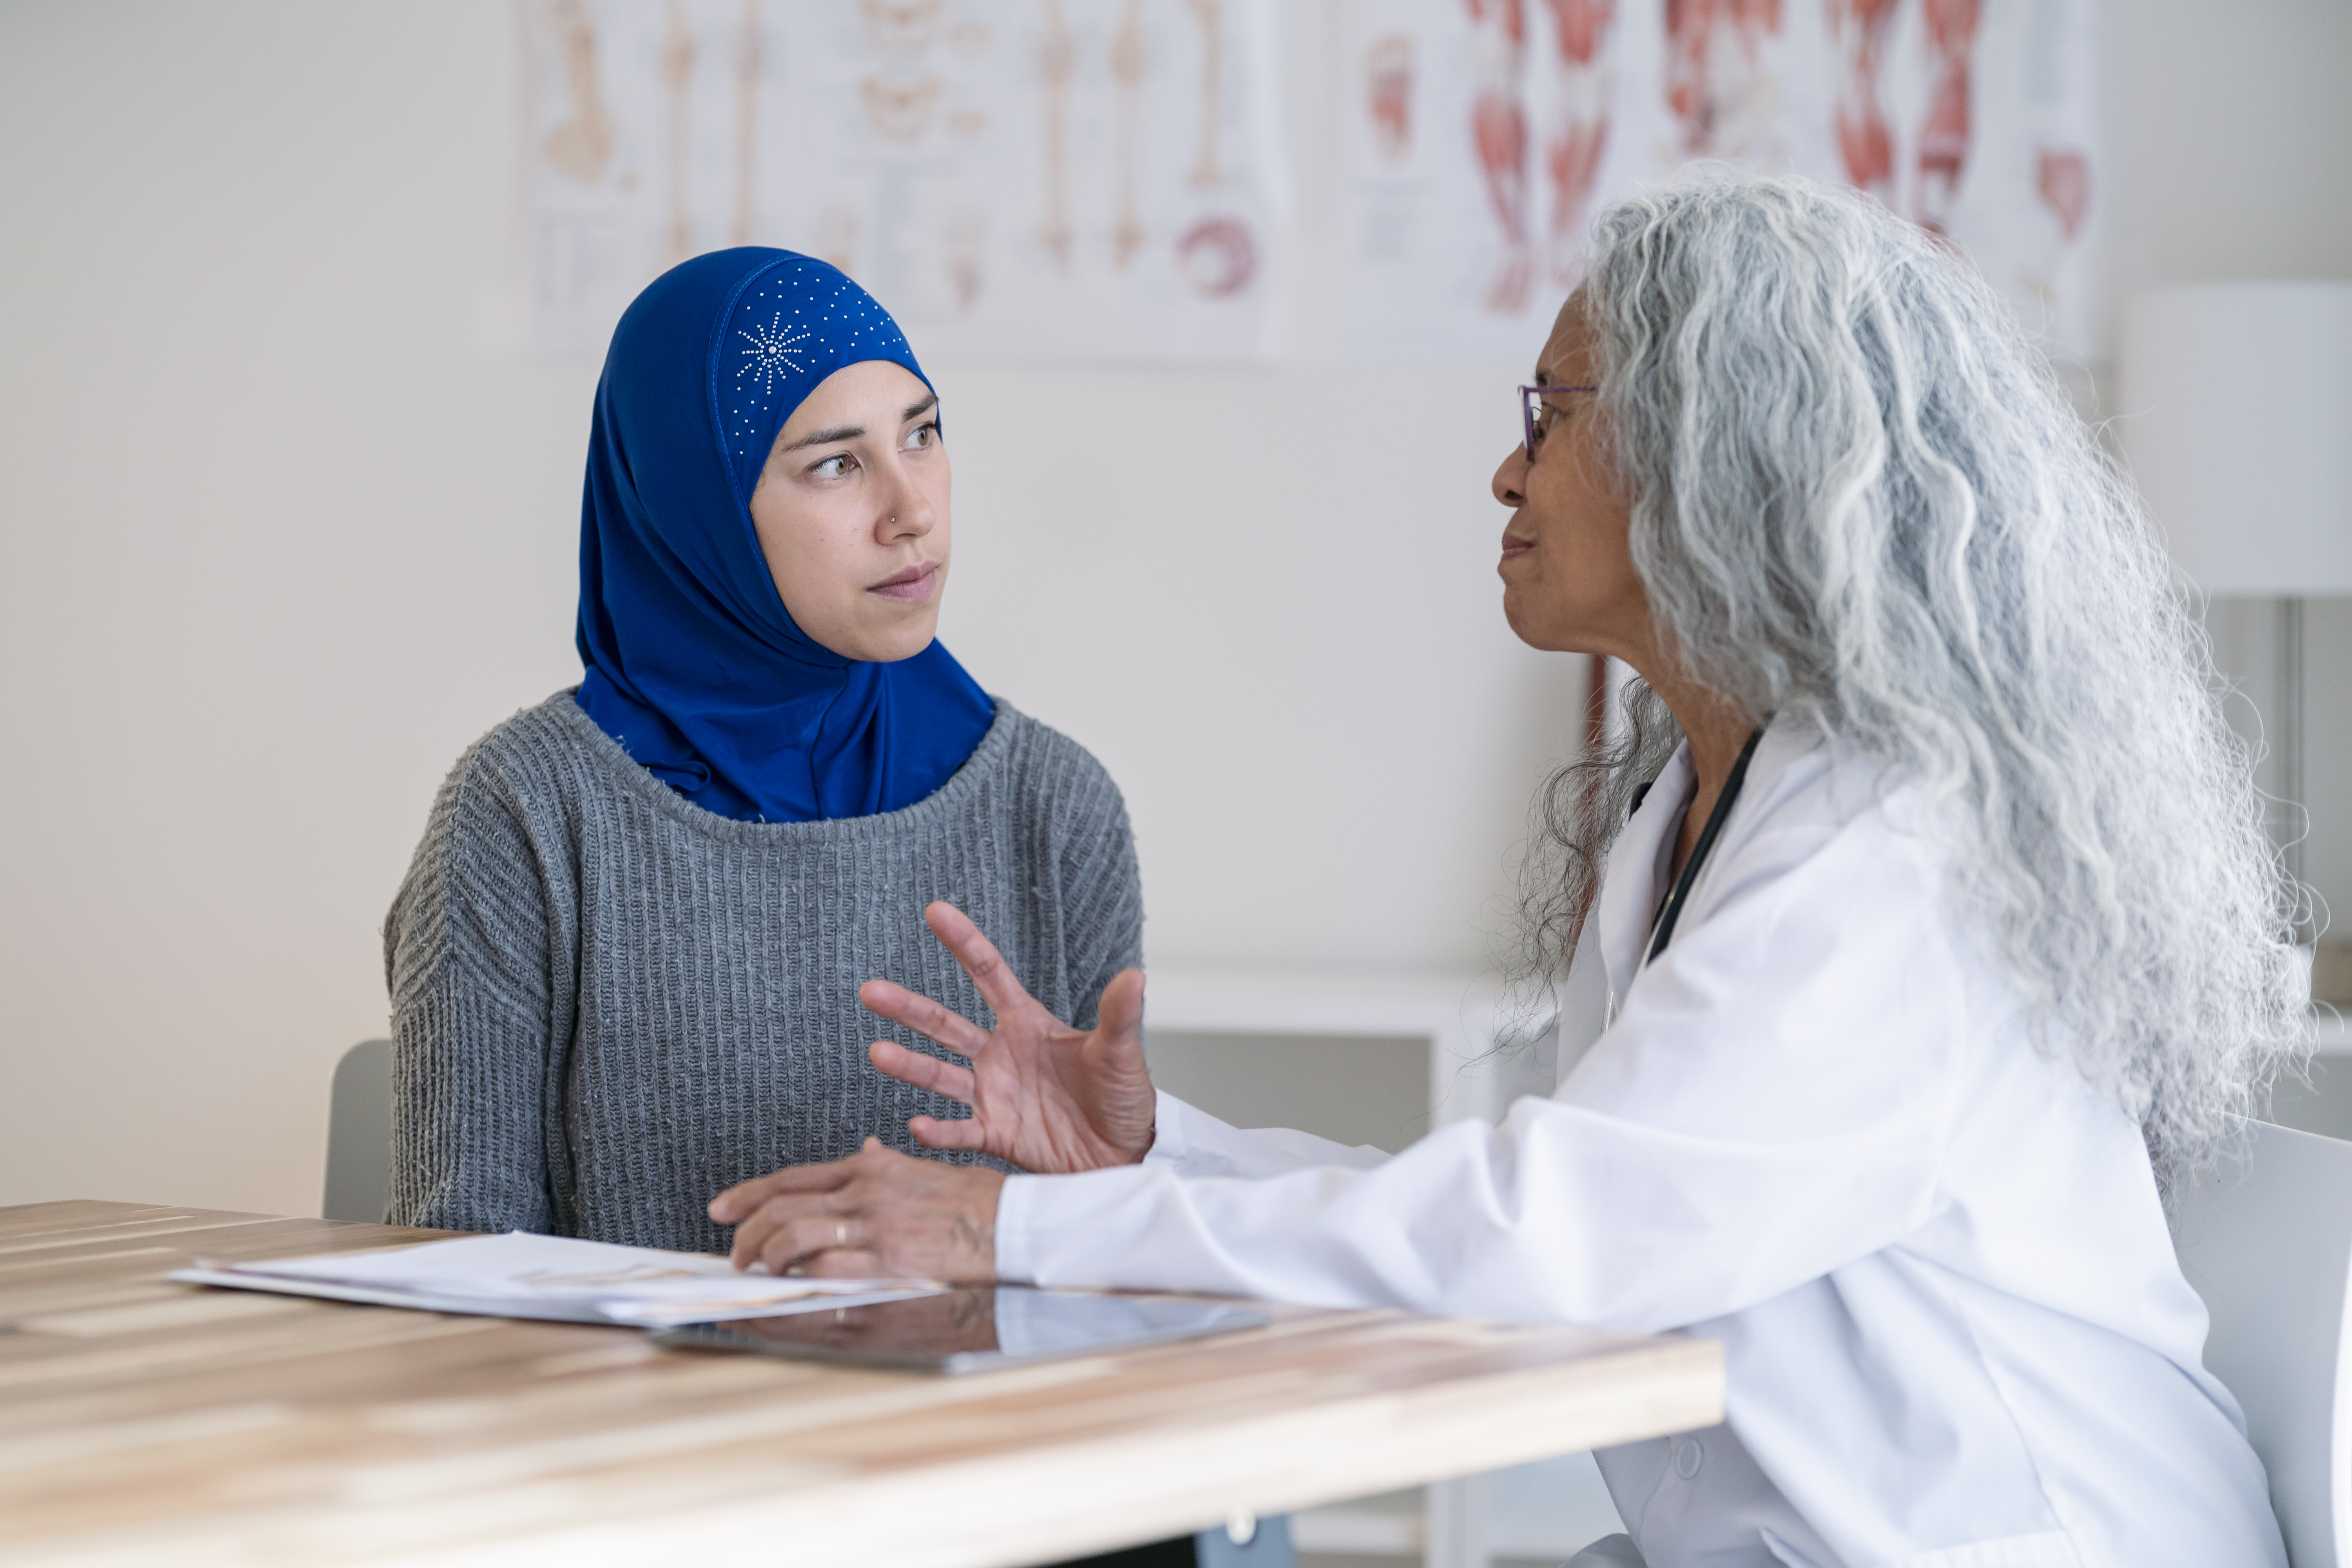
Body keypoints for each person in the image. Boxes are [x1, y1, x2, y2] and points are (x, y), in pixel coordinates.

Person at [706, 181, 2309, 1567]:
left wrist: (1006, 1233)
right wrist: (1137, 1161)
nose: (1506, 473)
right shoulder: (1708, 805)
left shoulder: (1891, 854)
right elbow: (1528, 1199)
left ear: (1720, 444)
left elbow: (1541, 1245)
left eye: (1554, 414)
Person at [383, 249, 1141, 1253]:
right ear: (694, 504)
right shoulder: (525, 812)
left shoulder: (1053, 805)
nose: (911, 509)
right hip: (628, 1411)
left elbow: (1112, 1269)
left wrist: (1123, 1177)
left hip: (972, 1412)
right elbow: (455, 1274)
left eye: (922, 435)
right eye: (835, 462)